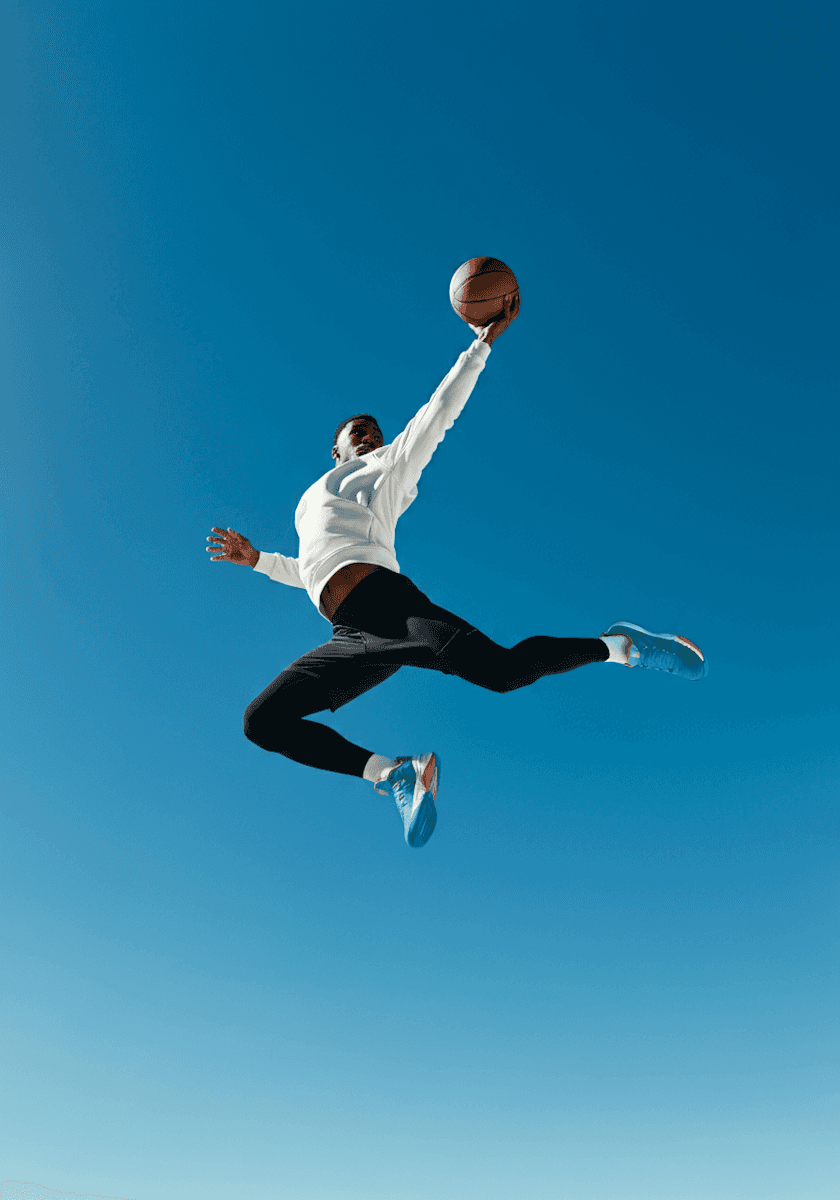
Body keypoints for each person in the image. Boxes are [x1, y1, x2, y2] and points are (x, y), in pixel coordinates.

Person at [206, 295, 706, 849]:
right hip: (349, 635)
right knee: (263, 722)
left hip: (395, 608)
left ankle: (620, 645)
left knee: (506, 673)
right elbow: (313, 569)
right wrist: (258, 562)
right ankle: (394, 774)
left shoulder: (389, 466)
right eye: (358, 432)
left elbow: (438, 412)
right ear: (336, 449)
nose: (370, 436)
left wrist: (481, 345)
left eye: (375, 429)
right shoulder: (309, 502)